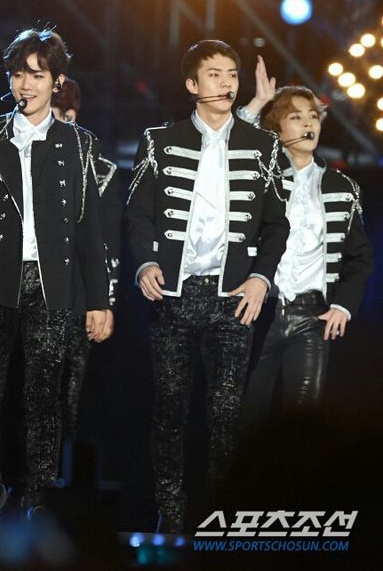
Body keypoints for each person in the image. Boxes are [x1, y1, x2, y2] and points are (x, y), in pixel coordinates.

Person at [125, 40, 290, 533]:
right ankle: (170, 514)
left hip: (233, 298)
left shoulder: (263, 145)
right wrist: (145, 263)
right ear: (192, 84)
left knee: (225, 412)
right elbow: (138, 213)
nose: (226, 82)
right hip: (173, 295)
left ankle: (219, 516)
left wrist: (260, 278)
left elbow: (277, 225)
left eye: (232, 74)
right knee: (169, 409)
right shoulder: (159, 140)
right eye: (214, 74)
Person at [0, 28, 112, 523]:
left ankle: (38, 502)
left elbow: (90, 230)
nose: (26, 84)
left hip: (51, 286)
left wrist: (99, 300)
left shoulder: (79, 144)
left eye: (37, 76)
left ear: (56, 81)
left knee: (44, 398)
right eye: (18, 74)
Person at [238, 58, 373, 433]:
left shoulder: (342, 187)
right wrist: (257, 104)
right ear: (276, 126)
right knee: (245, 417)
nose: (308, 123)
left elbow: (360, 257)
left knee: (302, 424)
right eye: (296, 117)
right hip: (258, 312)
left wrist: (343, 305)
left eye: (313, 116)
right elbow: (231, 146)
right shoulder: (259, 175)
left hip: (311, 317)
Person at [50, 77, 121, 442]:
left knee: (68, 399)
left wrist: (104, 303)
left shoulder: (103, 172)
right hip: (23, 295)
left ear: (70, 116)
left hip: (77, 300)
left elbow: (109, 242)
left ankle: (59, 469)